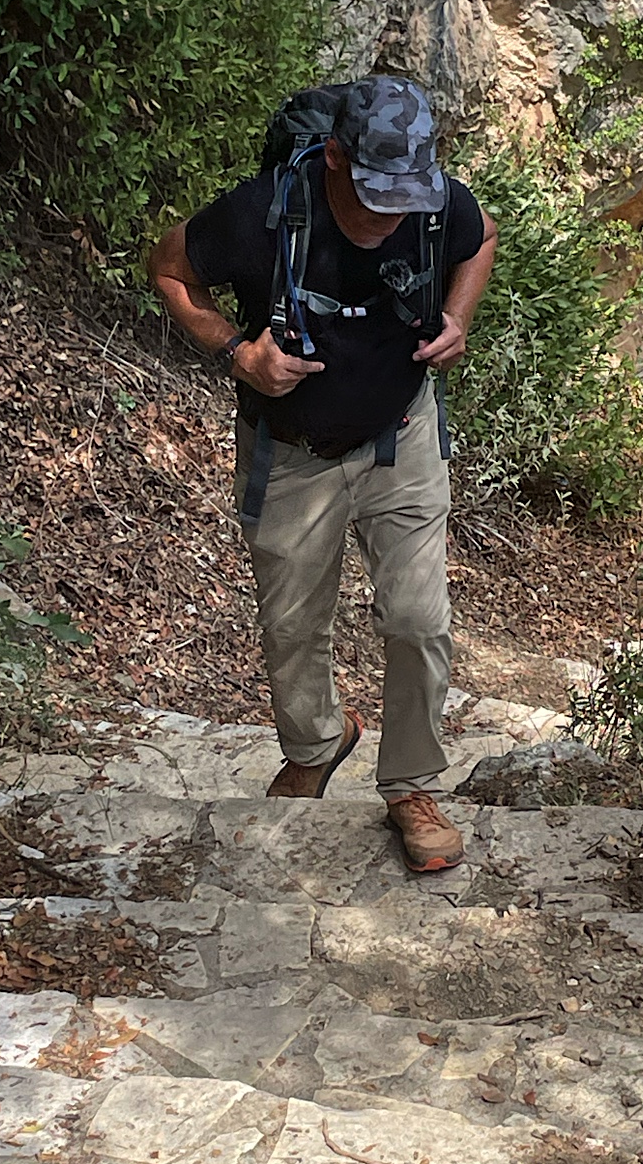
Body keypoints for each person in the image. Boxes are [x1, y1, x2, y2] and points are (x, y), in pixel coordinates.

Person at [148, 75, 497, 873]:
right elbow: (168, 269)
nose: (392, 218)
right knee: (292, 624)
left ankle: (410, 785)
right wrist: (239, 354)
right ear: (335, 158)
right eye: (377, 197)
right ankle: (314, 744)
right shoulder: (265, 210)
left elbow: (481, 239)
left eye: (406, 198)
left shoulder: (439, 204)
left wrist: (459, 320)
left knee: (417, 617)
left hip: (400, 436)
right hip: (293, 450)